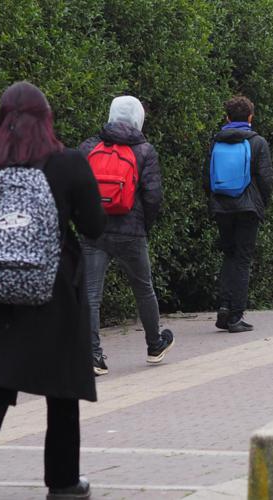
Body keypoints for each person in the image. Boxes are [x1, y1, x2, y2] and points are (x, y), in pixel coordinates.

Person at [0, 82, 107, 499]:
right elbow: (93, 225)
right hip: (50, 291)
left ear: (1, 120)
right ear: (47, 119)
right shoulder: (69, 163)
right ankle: (63, 482)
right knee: (61, 387)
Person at [79, 96, 173, 376]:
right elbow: (153, 195)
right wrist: (144, 226)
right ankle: (155, 345)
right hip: (131, 231)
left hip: (93, 230)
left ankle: (94, 355)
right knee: (144, 288)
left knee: (91, 294)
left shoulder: (88, 146)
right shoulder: (145, 150)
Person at [205, 96, 273, 333]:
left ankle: (224, 308)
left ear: (227, 118)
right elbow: (265, 178)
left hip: (222, 205)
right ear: (250, 118)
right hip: (248, 207)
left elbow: (207, 176)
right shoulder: (258, 142)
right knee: (243, 260)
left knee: (228, 255)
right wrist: (262, 202)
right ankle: (236, 315)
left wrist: (214, 200)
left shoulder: (216, 142)